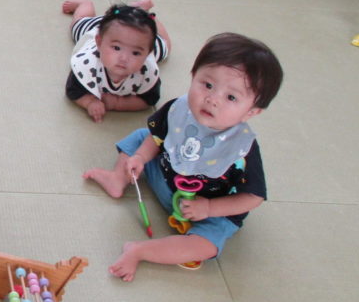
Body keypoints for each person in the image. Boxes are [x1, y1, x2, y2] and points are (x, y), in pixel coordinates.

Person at [83, 32, 283, 281]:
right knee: (141, 137)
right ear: (193, 75)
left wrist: (208, 208)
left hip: (207, 211)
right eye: (207, 85)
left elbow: (253, 197)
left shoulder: (242, 148)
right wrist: (141, 158)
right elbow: (155, 138)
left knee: (206, 246)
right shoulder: (178, 109)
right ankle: (118, 178)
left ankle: (140, 251)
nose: (212, 99)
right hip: (165, 178)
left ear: (251, 111)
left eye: (231, 97)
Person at [62, 0, 172, 122]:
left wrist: (118, 103)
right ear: (99, 42)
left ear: (148, 53)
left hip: (139, 35)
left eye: (135, 53)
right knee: (78, 23)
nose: (124, 58)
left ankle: (145, 15)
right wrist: (89, 102)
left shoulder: (147, 71)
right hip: (96, 27)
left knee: (165, 46)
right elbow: (73, 90)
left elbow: (150, 99)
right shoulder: (87, 63)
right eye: (116, 48)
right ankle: (85, 4)